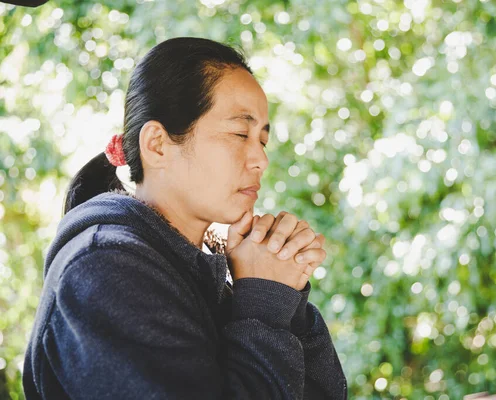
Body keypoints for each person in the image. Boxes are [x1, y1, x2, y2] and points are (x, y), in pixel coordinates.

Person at [22, 37, 347, 399]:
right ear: (158, 144)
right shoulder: (103, 267)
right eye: (240, 133)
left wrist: (283, 289)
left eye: (263, 140)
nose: (261, 160)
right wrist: (263, 305)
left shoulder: (200, 269)